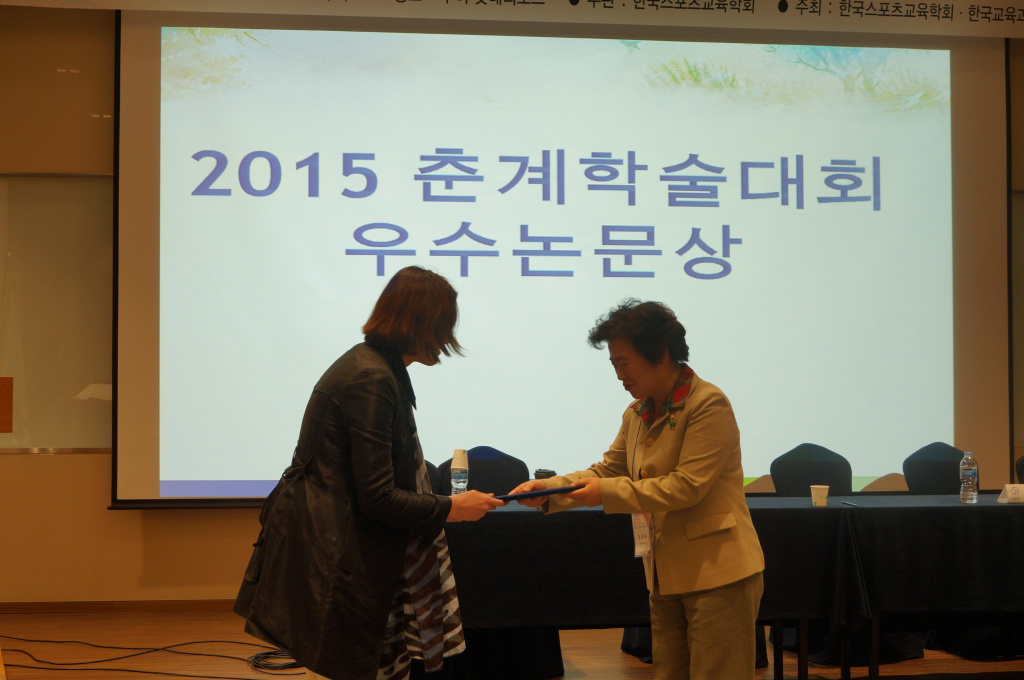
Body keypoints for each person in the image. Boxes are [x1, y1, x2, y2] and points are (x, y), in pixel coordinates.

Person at [234, 266, 504, 680]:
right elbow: (377, 497)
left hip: (344, 539)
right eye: (444, 326)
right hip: (342, 548)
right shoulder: (370, 379)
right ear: (420, 325)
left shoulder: (374, 367)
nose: (448, 338)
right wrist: (451, 507)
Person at [509, 299, 764, 680]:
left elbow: (687, 486)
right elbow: (607, 469)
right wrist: (548, 488)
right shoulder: (638, 412)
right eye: (613, 364)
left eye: (623, 363)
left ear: (660, 353)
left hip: (718, 572)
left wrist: (604, 493)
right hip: (664, 572)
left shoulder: (708, 404)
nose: (618, 375)